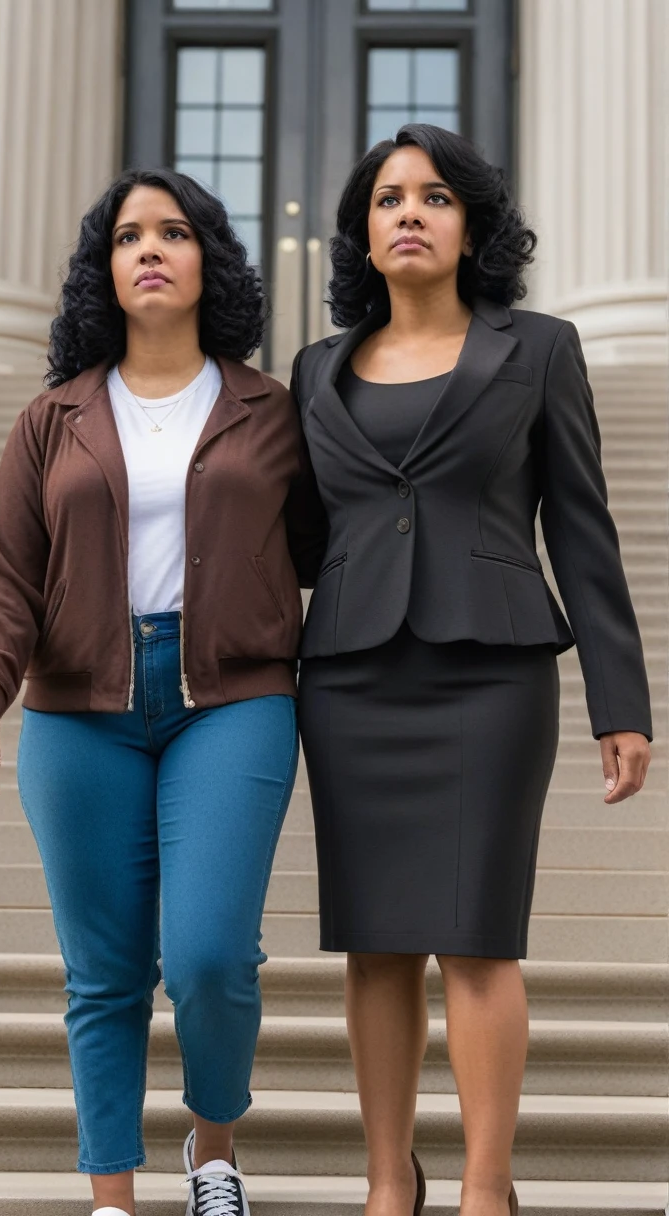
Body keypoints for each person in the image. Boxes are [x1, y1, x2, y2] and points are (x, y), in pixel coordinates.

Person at [291, 125, 652, 1216]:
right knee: (375, 945)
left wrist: (618, 699)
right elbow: (298, 542)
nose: (410, 211)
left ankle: (485, 1187)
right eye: (389, 197)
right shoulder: (313, 368)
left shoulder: (537, 348)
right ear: (361, 228)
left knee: (477, 939)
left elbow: (582, 530)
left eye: (435, 196)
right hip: (350, 678)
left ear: (470, 225)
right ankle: (383, 1182)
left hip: (491, 676)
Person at [0, 167, 318, 1216]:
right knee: (104, 970)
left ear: (209, 259)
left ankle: (213, 1148)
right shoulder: (51, 418)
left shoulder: (269, 410)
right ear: (103, 270)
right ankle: (112, 1194)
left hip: (233, 702)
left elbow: (319, 557)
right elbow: (5, 572)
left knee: (208, 954)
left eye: (173, 232)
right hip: (80, 712)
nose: (148, 249)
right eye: (126, 237)